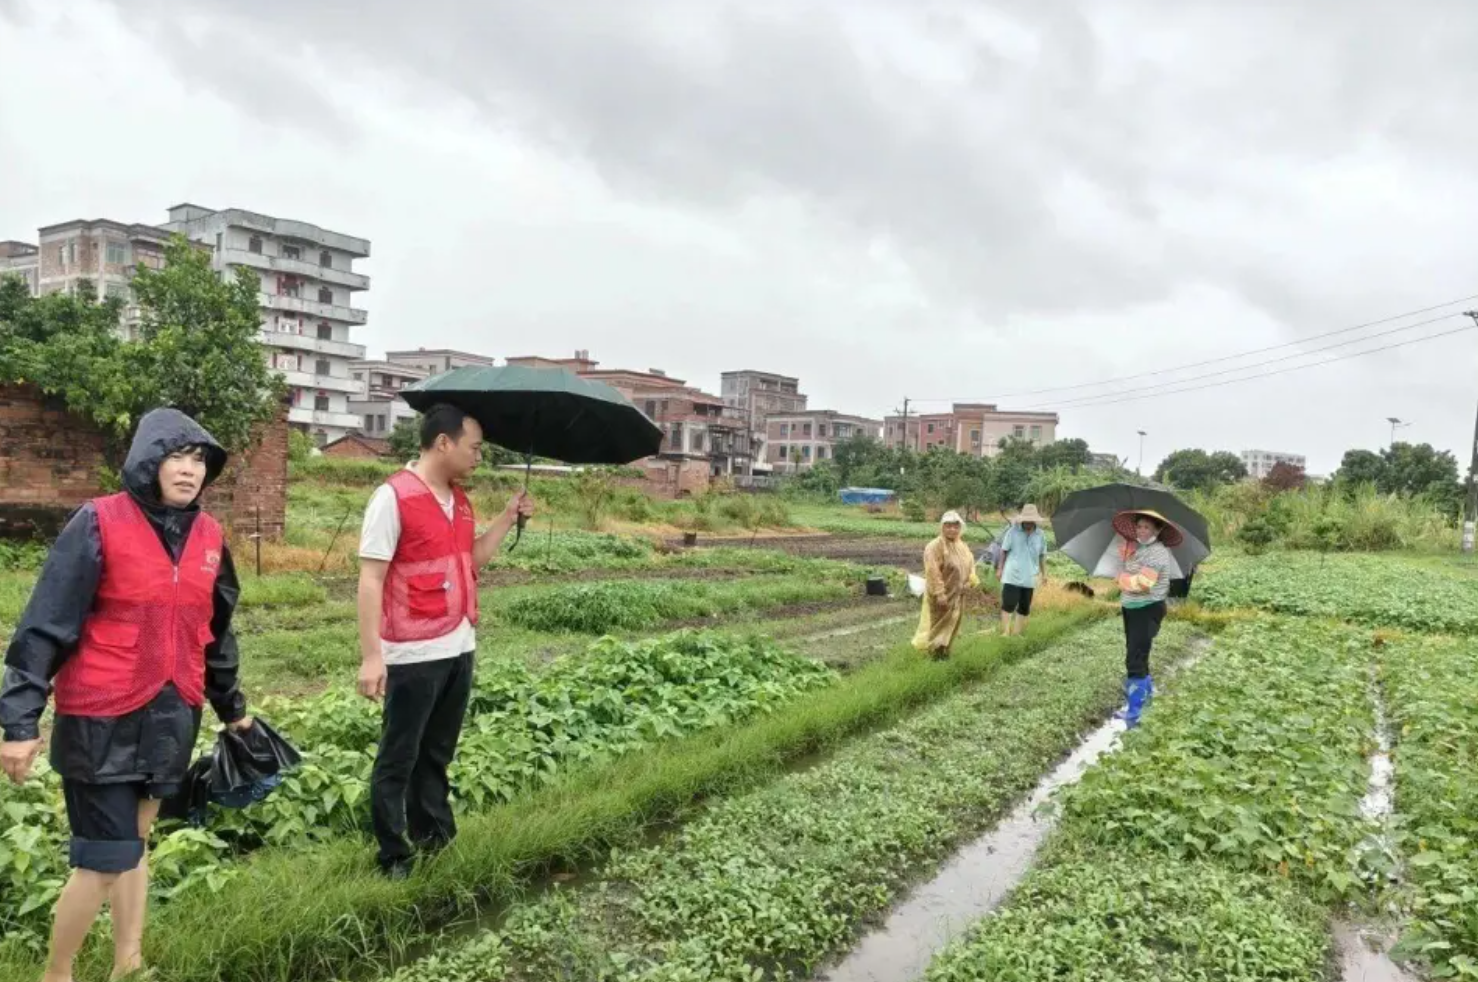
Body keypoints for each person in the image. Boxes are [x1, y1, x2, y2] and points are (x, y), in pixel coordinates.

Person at [0, 408, 253, 982]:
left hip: (172, 712)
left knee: (136, 844)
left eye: (199, 460)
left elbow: (215, 630)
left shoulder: (210, 536)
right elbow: (45, 624)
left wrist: (231, 708)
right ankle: (56, 974)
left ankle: (128, 964)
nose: (189, 471)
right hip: (100, 716)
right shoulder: (98, 522)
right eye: (176, 456)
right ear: (149, 460)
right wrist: (19, 723)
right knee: (103, 860)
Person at [357, 403, 536, 878]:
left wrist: (506, 516)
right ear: (443, 443)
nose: (479, 456)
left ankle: (435, 839)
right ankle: (393, 854)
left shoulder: (459, 500)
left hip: (458, 646)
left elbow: (470, 561)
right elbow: (371, 579)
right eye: (474, 447)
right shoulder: (392, 497)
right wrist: (372, 655)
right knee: (399, 757)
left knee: (436, 753)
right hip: (413, 651)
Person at [1113, 510, 1180, 727]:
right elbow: (1132, 571)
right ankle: (1146, 699)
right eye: (1139, 526)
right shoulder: (1142, 550)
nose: (1142, 531)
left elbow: (1143, 583)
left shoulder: (1158, 553)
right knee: (1140, 654)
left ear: (1157, 530)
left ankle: (1135, 711)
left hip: (1147, 608)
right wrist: (1126, 558)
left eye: (1147, 527)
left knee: (1135, 658)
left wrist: (1120, 578)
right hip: (1132, 607)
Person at [911, 511, 979, 660]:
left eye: (956, 526)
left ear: (960, 528)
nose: (952, 529)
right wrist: (940, 593)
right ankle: (934, 657)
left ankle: (945, 653)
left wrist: (970, 581)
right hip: (942, 596)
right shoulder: (934, 546)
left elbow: (970, 565)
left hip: (959, 594)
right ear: (942, 527)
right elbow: (932, 572)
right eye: (948, 526)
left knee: (952, 624)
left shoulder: (962, 546)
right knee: (938, 626)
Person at [996, 504, 1048, 636]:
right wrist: (1000, 568)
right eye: (1026, 520)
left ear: (1035, 521)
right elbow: (1003, 551)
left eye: (1031, 520)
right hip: (1012, 574)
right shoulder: (1013, 532)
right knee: (1008, 604)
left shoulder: (1040, 535)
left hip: (1030, 576)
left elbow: (1042, 555)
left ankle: (1017, 633)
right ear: (1022, 519)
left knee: (1024, 607)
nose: (1028, 523)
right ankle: (1005, 632)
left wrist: (1044, 574)